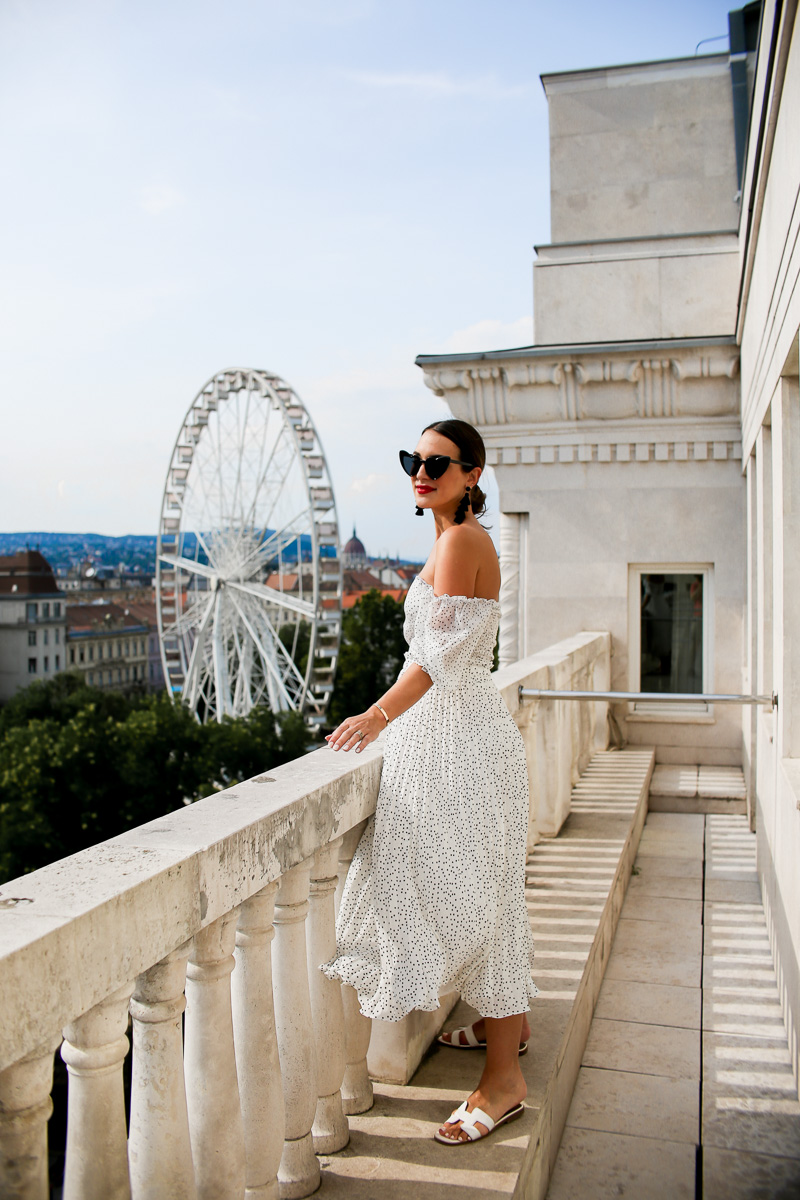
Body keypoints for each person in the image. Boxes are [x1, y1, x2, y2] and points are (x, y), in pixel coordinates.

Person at [321, 418, 536, 1146]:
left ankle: (504, 1081)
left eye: (439, 462)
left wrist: (375, 716)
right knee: (483, 890)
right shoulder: (454, 540)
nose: (422, 470)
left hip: (459, 743)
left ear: (473, 474)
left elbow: (436, 658)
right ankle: (511, 1025)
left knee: (476, 899)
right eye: (414, 458)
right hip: (461, 735)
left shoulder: (460, 542)